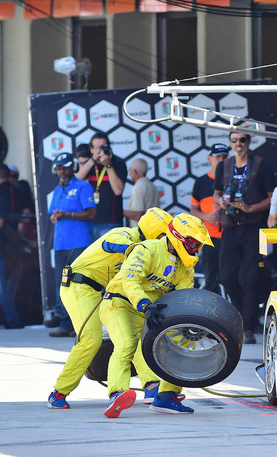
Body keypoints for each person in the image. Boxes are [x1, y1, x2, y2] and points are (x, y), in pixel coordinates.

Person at [47, 208, 173, 410]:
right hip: (79, 287)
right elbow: (109, 243)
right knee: (91, 339)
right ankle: (58, 393)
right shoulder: (124, 234)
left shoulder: (148, 250)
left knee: (134, 335)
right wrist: (133, 249)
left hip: (102, 293)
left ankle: (151, 386)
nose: (165, 242)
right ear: (152, 230)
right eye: (162, 236)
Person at [97, 213, 212, 417]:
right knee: (127, 343)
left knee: (177, 344)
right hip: (118, 303)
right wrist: (144, 304)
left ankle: (166, 397)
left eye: (198, 246)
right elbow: (130, 281)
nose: (195, 250)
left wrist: (189, 321)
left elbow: (182, 297)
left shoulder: (185, 268)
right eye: (193, 244)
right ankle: (117, 394)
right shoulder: (146, 249)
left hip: (151, 311)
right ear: (177, 237)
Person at [213, 132, 275, 345]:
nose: (238, 144)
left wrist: (250, 208)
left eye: (242, 140)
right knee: (226, 276)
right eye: (234, 140)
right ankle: (242, 315)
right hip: (230, 227)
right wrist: (221, 201)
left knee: (250, 279)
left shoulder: (261, 165)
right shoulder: (224, 165)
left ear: (249, 142)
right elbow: (216, 193)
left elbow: (271, 197)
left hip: (253, 227)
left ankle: (247, 327)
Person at [48, 152, 97, 338]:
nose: (61, 171)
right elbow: (54, 213)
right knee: (62, 286)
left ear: (72, 167)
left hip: (79, 243)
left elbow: (91, 213)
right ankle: (65, 324)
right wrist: (55, 216)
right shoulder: (58, 189)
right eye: (59, 168)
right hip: (60, 244)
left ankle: (81, 326)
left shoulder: (83, 186)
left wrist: (67, 215)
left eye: (64, 167)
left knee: (80, 285)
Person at [190, 144, 229, 295]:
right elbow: (193, 210)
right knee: (210, 278)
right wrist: (207, 216)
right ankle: (212, 314)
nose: (221, 160)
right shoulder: (201, 182)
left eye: (224, 157)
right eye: (217, 157)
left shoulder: (232, 179)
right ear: (209, 158)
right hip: (209, 238)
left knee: (230, 278)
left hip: (230, 236)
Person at [75, 133, 127, 240]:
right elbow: (76, 182)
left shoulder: (118, 163)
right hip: (89, 221)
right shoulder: (89, 163)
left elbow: (118, 190)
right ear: (91, 149)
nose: (100, 151)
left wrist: (108, 164)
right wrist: (93, 160)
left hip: (110, 222)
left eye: (103, 147)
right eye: (96, 148)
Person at [0, 164, 22, 329]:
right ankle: (12, 320)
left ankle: (13, 321)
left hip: (4, 242)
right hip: (7, 242)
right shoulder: (11, 189)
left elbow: (1, 221)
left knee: (2, 287)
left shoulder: (4, 190)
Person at [123, 158, 160, 228]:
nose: (129, 173)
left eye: (130, 170)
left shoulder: (137, 188)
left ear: (135, 172)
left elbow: (138, 215)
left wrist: (120, 211)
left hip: (141, 232)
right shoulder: (153, 186)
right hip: (153, 229)